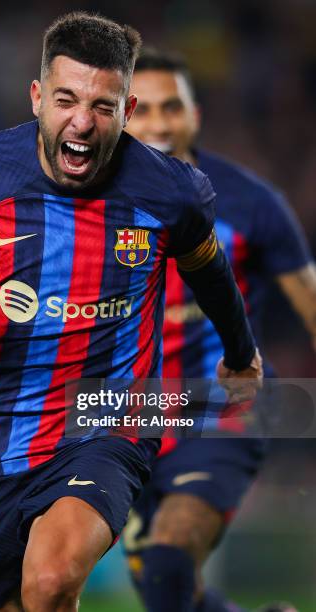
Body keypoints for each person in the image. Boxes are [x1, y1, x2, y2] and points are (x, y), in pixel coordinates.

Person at [0, 13, 263, 612]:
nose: (82, 122)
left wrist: (240, 354)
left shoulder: (169, 192)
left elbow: (211, 273)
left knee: (49, 580)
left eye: (103, 105)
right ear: (37, 97)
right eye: (66, 99)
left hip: (103, 419)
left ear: (127, 108)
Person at [121, 49, 315, 612]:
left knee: (167, 562)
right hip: (116, 415)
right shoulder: (85, 203)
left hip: (222, 407)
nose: (159, 123)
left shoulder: (252, 202)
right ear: (121, 115)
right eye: (144, 109)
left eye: (172, 107)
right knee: (167, 594)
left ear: (195, 114)